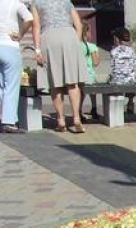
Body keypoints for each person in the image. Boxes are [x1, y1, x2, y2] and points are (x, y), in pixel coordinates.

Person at [30, 0, 89, 133]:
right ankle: (76, 118)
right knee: (73, 82)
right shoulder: (66, 1)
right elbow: (78, 24)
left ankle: (61, 119)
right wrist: (76, 42)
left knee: (55, 83)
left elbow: (36, 26)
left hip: (49, 37)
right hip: (69, 36)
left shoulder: (36, 3)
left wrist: (37, 50)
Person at [0, 0, 33, 134]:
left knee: (2, 84)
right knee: (12, 84)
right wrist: (21, 34)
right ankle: (8, 122)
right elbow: (29, 19)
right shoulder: (15, 4)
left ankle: (11, 117)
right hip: (9, 45)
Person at [107, 26, 136, 114]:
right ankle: (130, 102)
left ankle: (118, 104)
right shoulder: (131, 51)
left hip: (117, 80)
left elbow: (113, 67)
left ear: (117, 39)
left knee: (113, 79)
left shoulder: (113, 51)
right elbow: (134, 64)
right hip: (130, 80)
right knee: (132, 76)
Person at [79, 23, 100, 122]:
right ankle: (94, 108)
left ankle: (78, 110)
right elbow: (96, 63)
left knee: (81, 93)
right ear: (86, 32)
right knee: (93, 89)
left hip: (79, 76)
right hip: (89, 76)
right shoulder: (91, 46)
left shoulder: (76, 46)